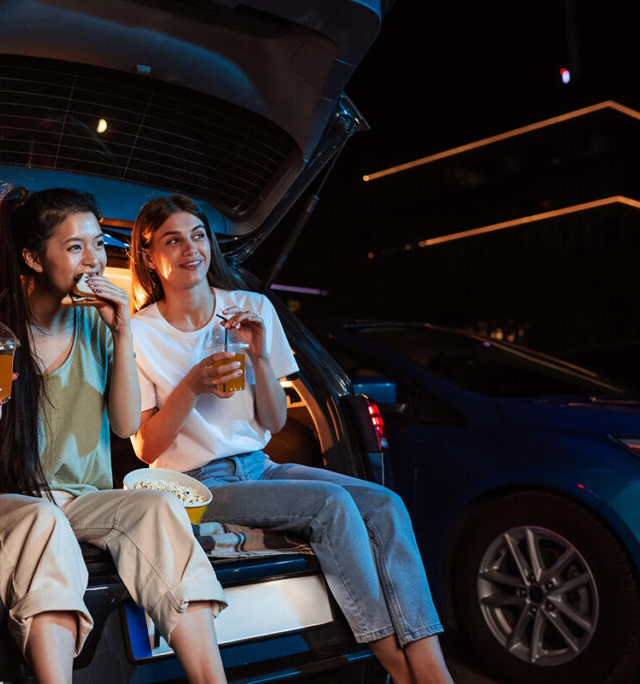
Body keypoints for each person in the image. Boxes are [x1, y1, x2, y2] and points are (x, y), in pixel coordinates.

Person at [127, 195, 454, 684]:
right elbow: (147, 448)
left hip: (259, 467)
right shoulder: (139, 331)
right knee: (331, 505)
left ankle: (431, 668)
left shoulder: (251, 308)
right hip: (191, 487)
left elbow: (275, 422)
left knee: (386, 505)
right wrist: (192, 385)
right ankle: (398, 671)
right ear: (150, 256)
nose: (190, 248)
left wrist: (259, 357)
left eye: (198, 235)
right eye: (173, 240)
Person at [0, 187, 227, 684]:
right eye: (75, 247)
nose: (93, 259)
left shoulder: (98, 327)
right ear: (33, 257)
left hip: (79, 499)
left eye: (98, 244)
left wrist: (122, 333)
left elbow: (123, 426)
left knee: (159, 508)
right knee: (41, 518)